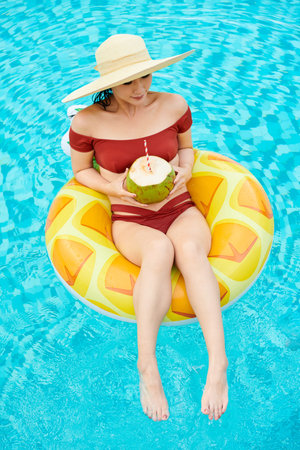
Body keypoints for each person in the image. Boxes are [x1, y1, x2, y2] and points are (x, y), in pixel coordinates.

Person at [63, 34, 228, 422]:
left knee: (188, 249)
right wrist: (113, 186)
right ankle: (147, 366)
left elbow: (187, 149)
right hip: (130, 216)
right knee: (158, 250)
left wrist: (185, 171)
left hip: (179, 205)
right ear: (108, 85)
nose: (139, 89)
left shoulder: (175, 105)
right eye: (127, 82)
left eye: (145, 76)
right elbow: (81, 171)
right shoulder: (87, 122)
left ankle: (218, 363)